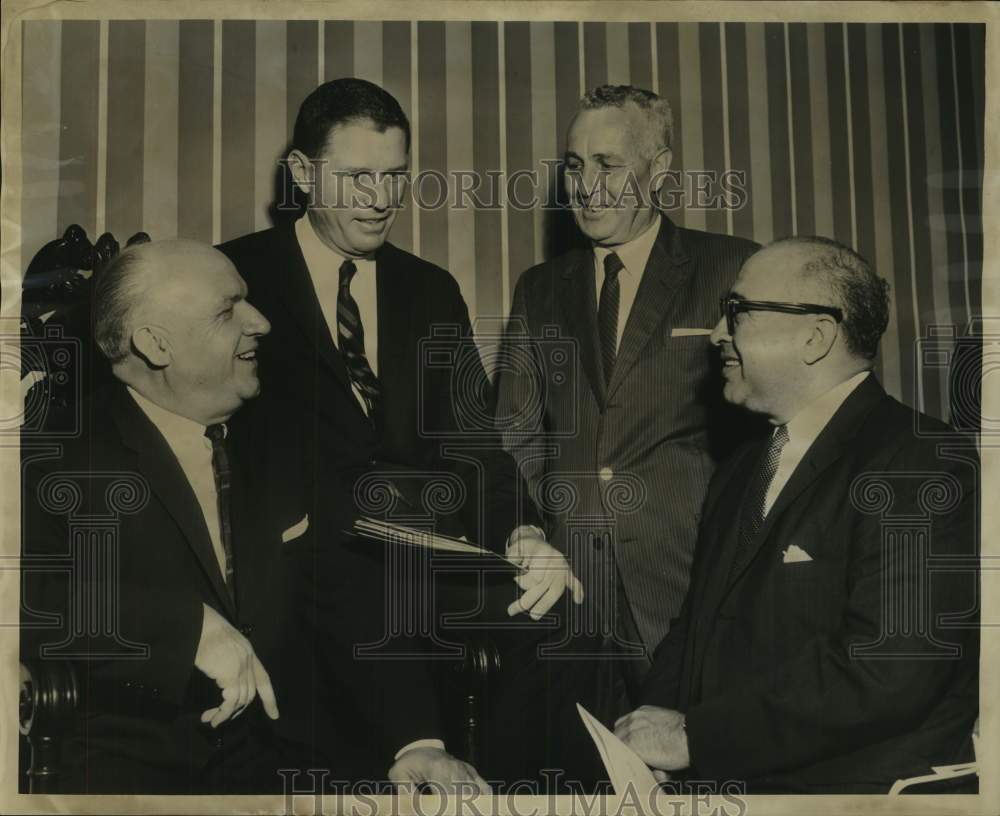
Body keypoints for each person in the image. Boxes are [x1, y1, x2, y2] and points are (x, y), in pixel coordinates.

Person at [218, 77, 580, 786]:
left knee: (560, 612)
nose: (380, 199)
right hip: (292, 570)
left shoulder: (428, 288)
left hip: (419, 558)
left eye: (394, 177)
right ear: (300, 173)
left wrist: (525, 535)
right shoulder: (236, 276)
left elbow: (474, 444)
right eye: (356, 177)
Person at [614, 237, 979, 793]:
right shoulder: (739, 470)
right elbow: (694, 631)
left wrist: (695, 737)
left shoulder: (921, 459)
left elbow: (891, 667)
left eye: (737, 312)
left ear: (816, 335)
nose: (716, 334)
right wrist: (651, 729)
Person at [491, 84, 760, 779]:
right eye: (575, 165)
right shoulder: (539, 288)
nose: (586, 185)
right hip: (568, 602)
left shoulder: (732, 267)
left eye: (608, 164)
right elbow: (514, 437)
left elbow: (765, 439)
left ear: (660, 169)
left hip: (688, 588)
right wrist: (524, 536)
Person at [20, 240, 281, 792]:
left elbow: (350, 585)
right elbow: (26, 592)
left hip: (287, 761)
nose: (261, 322)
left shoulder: (286, 442)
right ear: (156, 345)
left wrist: (417, 740)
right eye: (228, 309)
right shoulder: (55, 453)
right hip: (129, 772)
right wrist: (186, 628)